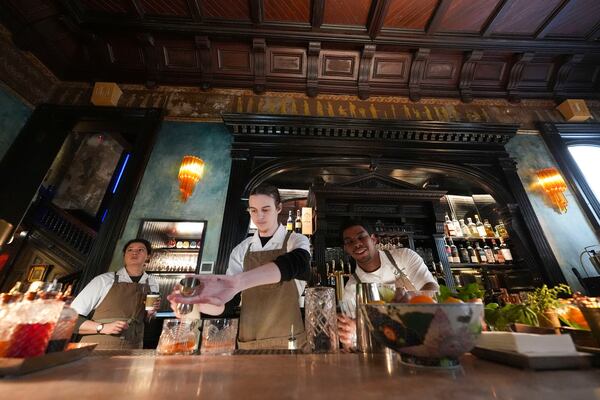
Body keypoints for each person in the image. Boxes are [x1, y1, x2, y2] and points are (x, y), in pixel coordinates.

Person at [168, 184, 311, 350]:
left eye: (266, 209)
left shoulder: (295, 241)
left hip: (290, 339)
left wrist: (238, 282)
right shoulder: (242, 249)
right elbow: (229, 303)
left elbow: (297, 263)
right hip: (249, 340)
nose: (259, 216)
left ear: (278, 208)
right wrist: (199, 303)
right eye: (253, 210)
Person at [336, 219, 439, 349]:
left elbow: (432, 288)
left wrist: (409, 299)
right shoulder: (352, 288)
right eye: (349, 241)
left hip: (427, 338)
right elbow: (350, 340)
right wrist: (349, 333)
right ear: (345, 249)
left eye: (361, 237)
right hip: (385, 352)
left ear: (374, 239)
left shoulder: (404, 256)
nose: (357, 243)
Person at [71, 238, 159, 349]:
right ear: (124, 255)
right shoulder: (104, 280)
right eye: (130, 250)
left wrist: (150, 314)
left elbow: (146, 319)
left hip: (134, 349)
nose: (134, 252)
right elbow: (69, 319)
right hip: (99, 348)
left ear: (148, 256)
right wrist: (102, 327)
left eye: (140, 250)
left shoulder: (152, 283)